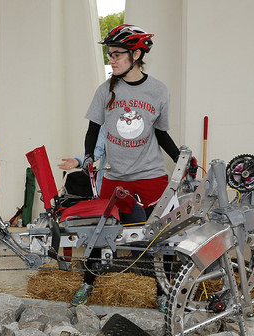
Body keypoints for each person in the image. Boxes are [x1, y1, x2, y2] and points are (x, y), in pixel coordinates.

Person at [70, 24, 181, 310]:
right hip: (115, 176)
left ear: (137, 54)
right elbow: (93, 130)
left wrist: (182, 159)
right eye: (110, 54)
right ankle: (87, 283)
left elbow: (161, 133)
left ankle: (163, 292)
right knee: (99, 232)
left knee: (162, 236)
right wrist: (87, 157)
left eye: (118, 54)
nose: (112, 59)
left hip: (151, 174)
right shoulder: (105, 90)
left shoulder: (158, 90)